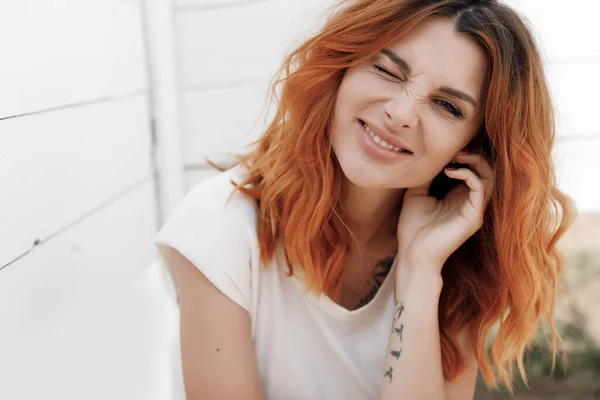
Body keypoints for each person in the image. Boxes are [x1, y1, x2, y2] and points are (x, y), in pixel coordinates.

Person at [154, 0, 575, 399]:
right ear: (343, 66)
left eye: (446, 105)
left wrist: (420, 268)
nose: (401, 113)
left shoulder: (457, 256)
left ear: (475, 146)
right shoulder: (220, 223)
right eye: (388, 70)